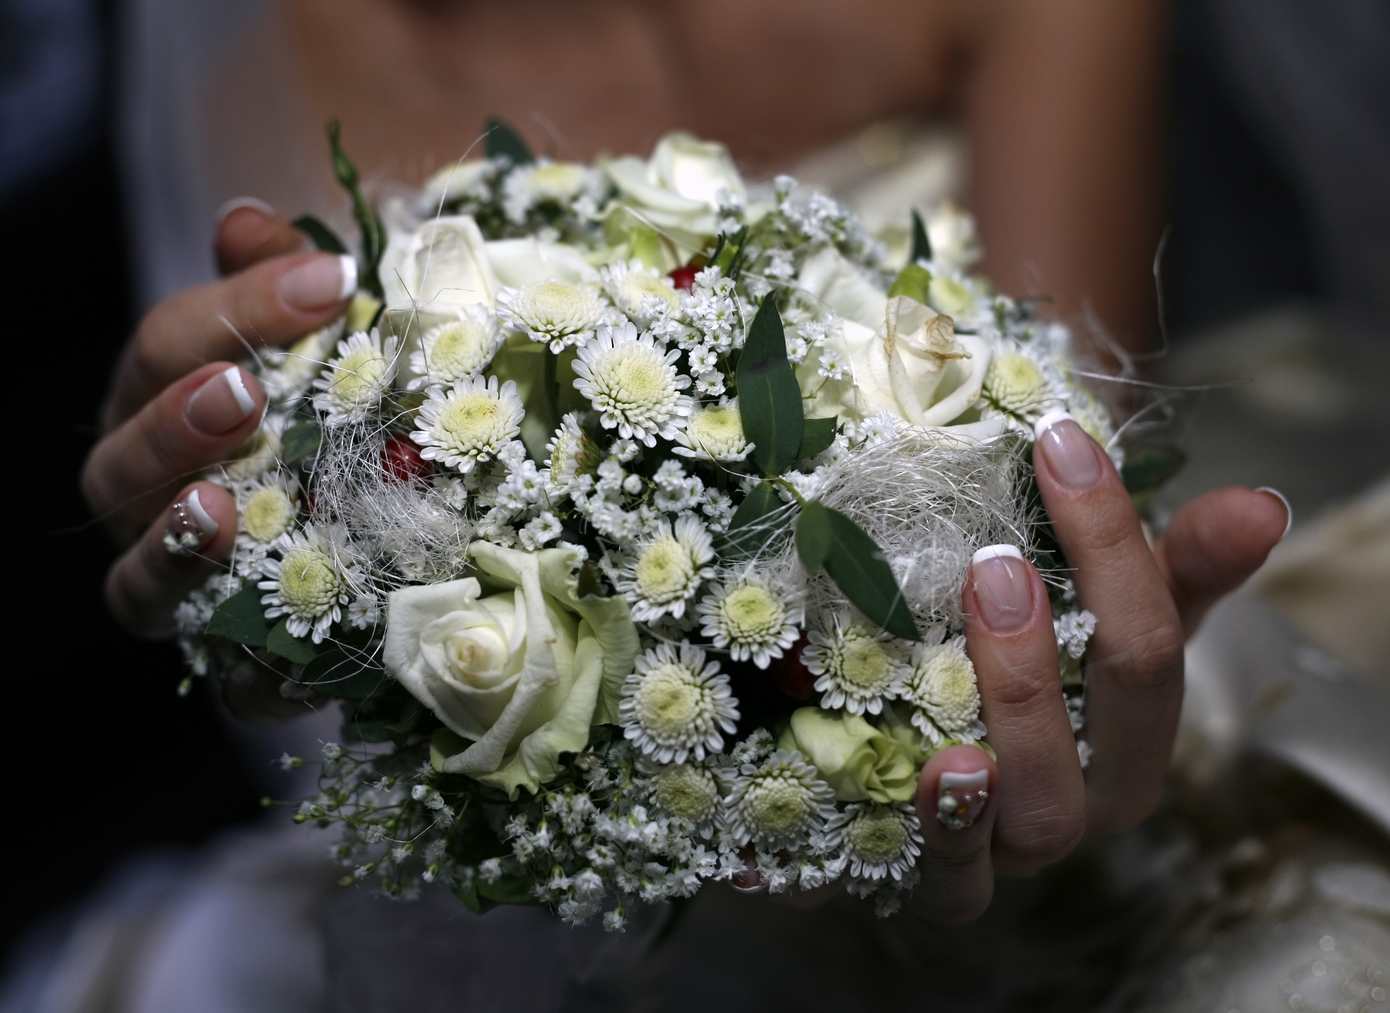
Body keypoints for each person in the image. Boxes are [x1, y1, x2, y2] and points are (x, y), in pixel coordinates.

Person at [61, 1, 1384, 1009]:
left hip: (931, 800)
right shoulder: (255, 50)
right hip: (531, 869)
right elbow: (307, 633)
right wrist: (249, 575)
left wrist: (1055, 673)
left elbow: (1039, 476)